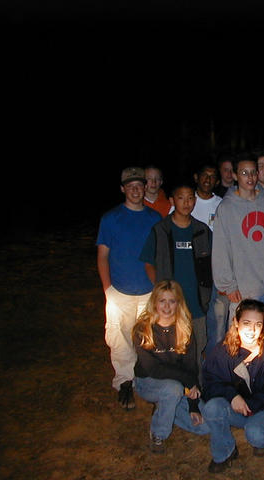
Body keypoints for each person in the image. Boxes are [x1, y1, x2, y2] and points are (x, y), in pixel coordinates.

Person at [202, 299, 264, 473]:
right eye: (246, 323)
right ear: (236, 323)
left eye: (258, 324)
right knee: (212, 407)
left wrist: (255, 405)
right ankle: (225, 452)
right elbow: (209, 383)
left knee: (256, 435)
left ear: (263, 325)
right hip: (237, 408)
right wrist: (232, 396)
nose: (252, 331)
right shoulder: (222, 350)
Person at [97, 167, 162, 410]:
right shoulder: (111, 218)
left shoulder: (155, 219)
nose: (136, 190)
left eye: (140, 185)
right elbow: (103, 255)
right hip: (119, 290)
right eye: (130, 186)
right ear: (123, 189)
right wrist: (108, 290)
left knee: (150, 338)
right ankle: (125, 381)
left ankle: (150, 381)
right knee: (119, 337)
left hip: (148, 290)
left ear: (145, 188)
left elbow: (159, 255)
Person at [132, 280, 210, 453]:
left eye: (172, 301)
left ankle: (166, 408)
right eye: (162, 301)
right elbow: (153, 369)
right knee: (173, 389)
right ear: (154, 303)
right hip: (148, 382)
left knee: (205, 426)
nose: (166, 306)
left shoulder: (185, 329)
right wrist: (189, 383)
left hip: (179, 385)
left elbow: (190, 367)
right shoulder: (142, 329)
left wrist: (193, 406)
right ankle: (158, 433)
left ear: (178, 303)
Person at [212, 152, 264, 341]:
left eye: (253, 172)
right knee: (242, 343)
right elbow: (220, 249)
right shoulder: (226, 208)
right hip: (242, 290)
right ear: (235, 175)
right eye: (244, 173)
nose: (250, 178)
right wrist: (228, 284)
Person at [140, 183, 213, 361]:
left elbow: (214, 262)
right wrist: (159, 289)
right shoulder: (161, 230)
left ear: (195, 201)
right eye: (181, 198)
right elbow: (148, 262)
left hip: (196, 304)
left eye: (190, 198)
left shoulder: (202, 231)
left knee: (197, 348)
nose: (186, 203)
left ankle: (197, 386)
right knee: (173, 351)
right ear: (172, 201)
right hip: (169, 307)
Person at [191, 163, 223, 231]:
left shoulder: (222, 205)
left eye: (212, 177)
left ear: (217, 182)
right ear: (196, 177)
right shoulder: (186, 200)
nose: (208, 180)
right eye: (204, 175)